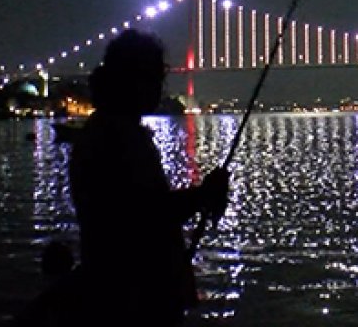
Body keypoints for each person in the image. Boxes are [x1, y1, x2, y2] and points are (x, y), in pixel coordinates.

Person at [17, 29, 230, 326]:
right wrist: (202, 196)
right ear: (131, 80)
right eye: (153, 78)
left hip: (126, 293)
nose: (158, 87)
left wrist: (198, 197)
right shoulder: (116, 137)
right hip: (134, 299)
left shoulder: (107, 130)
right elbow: (143, 215)